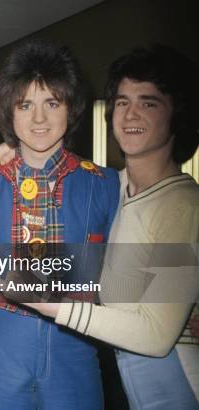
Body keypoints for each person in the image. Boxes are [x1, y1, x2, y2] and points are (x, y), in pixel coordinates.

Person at [24, 45, 199, 409]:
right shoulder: (109, 187)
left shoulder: (182, 205)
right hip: (120, 380)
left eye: (148, 102)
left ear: (177, 115)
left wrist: (52, 304)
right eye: (121, 102)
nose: (130, 113)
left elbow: (155, 335)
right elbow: (117, 284)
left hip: (177, 387)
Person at [0, 39, 120, 409]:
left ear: (71, 108)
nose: (39, 119)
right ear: (9, 111)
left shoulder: (106, 184)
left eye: (52, 103)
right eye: (25, 105)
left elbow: (127, 274)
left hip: (76, 346)